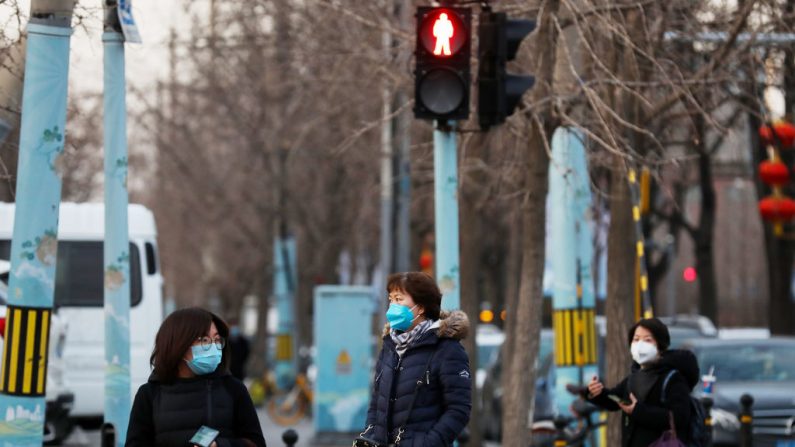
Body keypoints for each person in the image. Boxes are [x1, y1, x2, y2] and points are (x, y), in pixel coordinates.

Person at [126, 307, 267, 447]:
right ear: (179, 344)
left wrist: (221, 445)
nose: (213, 346)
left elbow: (256, 443)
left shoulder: (233, 389)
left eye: (217, 340)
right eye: (205, 340)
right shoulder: (149, 394)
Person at [359, 272, 472, 447]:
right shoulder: (390, 347)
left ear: (420, 308)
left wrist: (427, 443)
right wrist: (369, 436)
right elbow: (376, 403)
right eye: (391, 299)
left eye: (399, 299)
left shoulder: (447, 349)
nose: (392, 306)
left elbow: (458, 410)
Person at [586, 318, 699, 447]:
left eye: (647, 340)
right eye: (636, 339)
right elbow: (615, 400)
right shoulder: (635, 376)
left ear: (660, 346)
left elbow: (679, 417)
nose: (640, 344)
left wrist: (639, 411)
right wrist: (595, 392)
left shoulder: (673, 378)